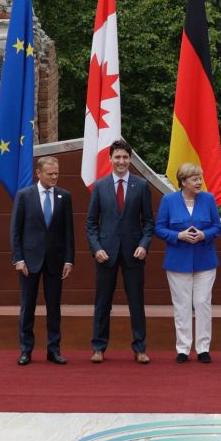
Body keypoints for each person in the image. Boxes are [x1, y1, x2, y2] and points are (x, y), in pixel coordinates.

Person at [86, 139, 155, 363]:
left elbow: (148, 223)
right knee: (102, 302)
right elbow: (91, 223)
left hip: (134, 254)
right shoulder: (100, 186)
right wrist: (96, 249)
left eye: (125, 157)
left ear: (130, 159)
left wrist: (144, 245)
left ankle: (140, 349)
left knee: (136, 302)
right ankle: (98, 348)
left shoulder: (141, 186)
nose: (121, 161)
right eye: (117, 157)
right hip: (105, 254)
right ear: (110, 159)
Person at [10, 156, 74, 366]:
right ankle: (26, 350)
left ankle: (53, 350)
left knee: (54, 307)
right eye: (50, 173)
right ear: (39, 173)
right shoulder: (24, 195)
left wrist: (69, 260)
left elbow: (68, 232)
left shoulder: (65, 196)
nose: (55, 177)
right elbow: (15, 230)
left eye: (57, 173)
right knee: (27, 306)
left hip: (55, 261)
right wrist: (18, 258)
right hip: (29, 261)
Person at [155, 163, 221, 364]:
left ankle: (203, 348)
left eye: (200, 178)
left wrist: (204, 234)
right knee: (182, 305)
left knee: (202, 303)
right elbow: (159, 228)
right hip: (177, 261)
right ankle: (183, 348)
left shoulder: (208, 199)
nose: (199, 182)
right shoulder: (169, 200)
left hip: (205, 260)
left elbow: (217, 227)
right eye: (194, 179)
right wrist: (178, 235)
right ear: (183, 182)